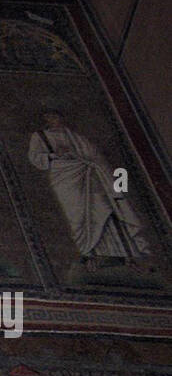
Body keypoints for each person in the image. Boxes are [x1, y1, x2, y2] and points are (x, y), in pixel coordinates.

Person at [28, 110, 149, 270]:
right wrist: (53, 155)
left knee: (105, 211)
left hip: (90, 179)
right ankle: (90, 256)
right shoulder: (40, 136)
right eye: (50, 117)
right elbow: (36, 157)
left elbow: (95, 157)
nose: (54, 120)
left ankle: (126, 257)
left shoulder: (75, 137)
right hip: (65, 181)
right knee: (77, 217)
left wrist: (93, 166)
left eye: (57, 116)